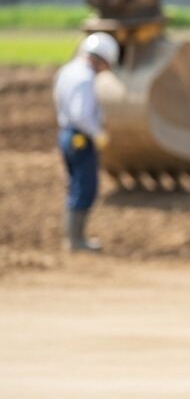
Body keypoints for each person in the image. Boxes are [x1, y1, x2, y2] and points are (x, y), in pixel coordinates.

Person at [53, 32, 120, 252]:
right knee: (85, 186)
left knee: (74, 185)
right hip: (80, 137)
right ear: (101, 59)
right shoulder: (85, 78)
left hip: (66, 134)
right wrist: (97, 133)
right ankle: (76, 240)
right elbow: (81, 115)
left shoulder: (68, 70)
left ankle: (72, 238)